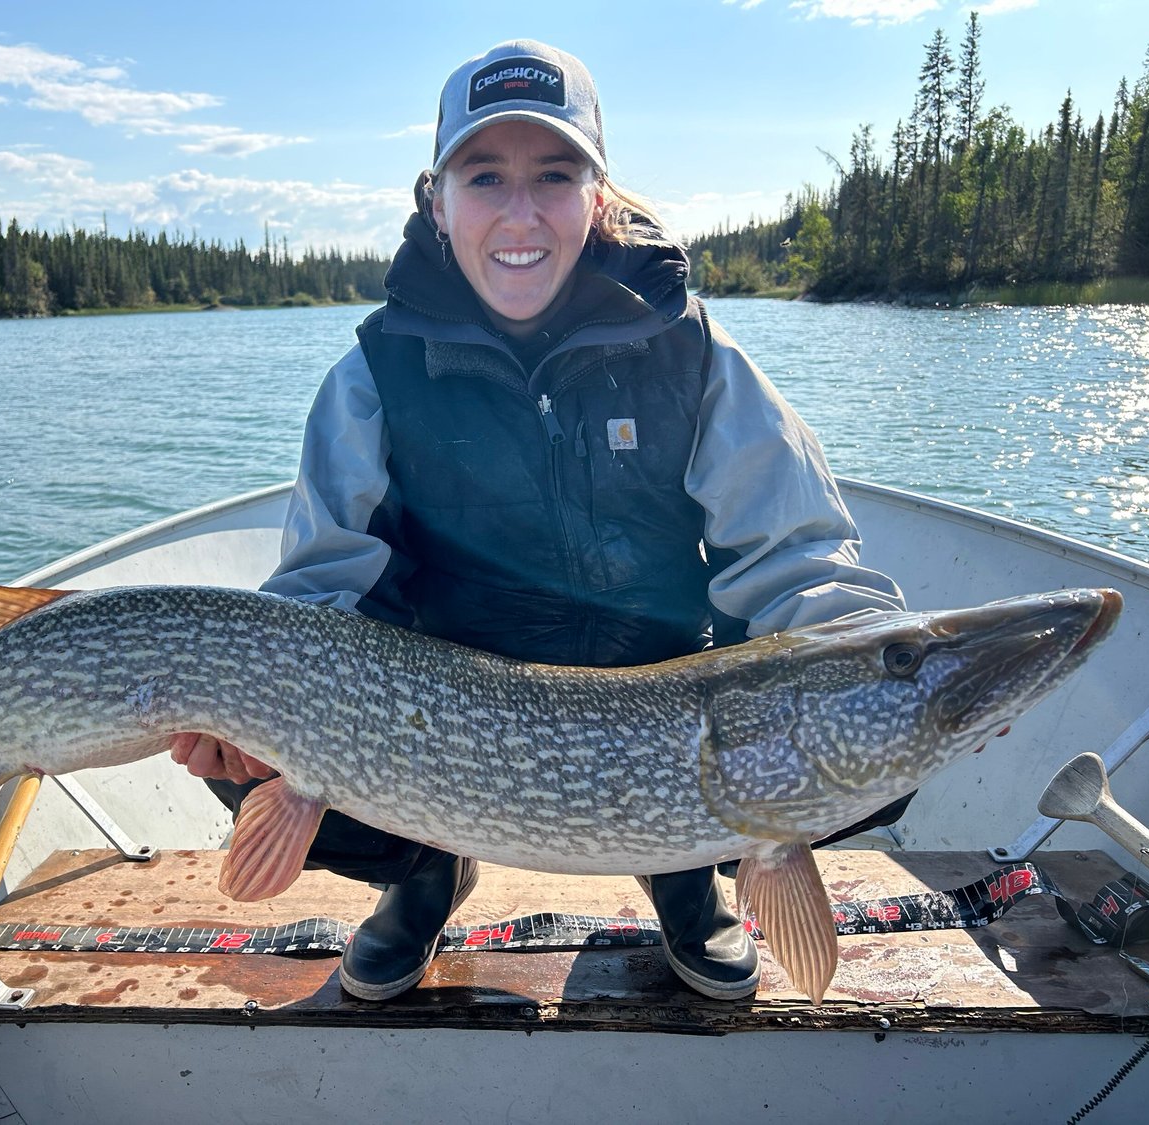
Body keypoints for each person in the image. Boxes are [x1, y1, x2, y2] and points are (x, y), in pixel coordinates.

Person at [173, 39, 908, 1003]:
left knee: (883, 727)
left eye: (553, 177)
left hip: (658, 708)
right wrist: (258, 717)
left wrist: (860, 662)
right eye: (485, 177)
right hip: (439, 723)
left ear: (596, 196)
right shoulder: (370, 379)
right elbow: (316, 596)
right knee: (251, 729)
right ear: (437, 199)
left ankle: (685, 867)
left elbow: (799, 555)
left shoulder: (694, 355)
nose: (520, 214)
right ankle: (423, 871)